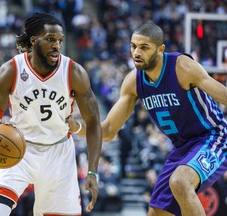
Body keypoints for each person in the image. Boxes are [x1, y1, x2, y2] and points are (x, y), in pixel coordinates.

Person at [68, 21, 227, 216]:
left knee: (181, 181)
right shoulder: (133, 81)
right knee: (156, 213)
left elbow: (223, 95)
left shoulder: (182, 66)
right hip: (182, 147)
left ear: (160, 49)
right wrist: (75, 127)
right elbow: (108, 130)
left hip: (213, 137)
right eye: (133, 46)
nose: (136, 52)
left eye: (144, 47)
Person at [0, 12, 102, 216]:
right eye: (51, 39)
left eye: (60, 41)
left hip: (59, 153)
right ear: (34, 40)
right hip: (19, 148)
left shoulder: (74, 72)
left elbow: (94, 122)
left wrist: (92, 171)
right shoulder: (11, 69)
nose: (57, 45)